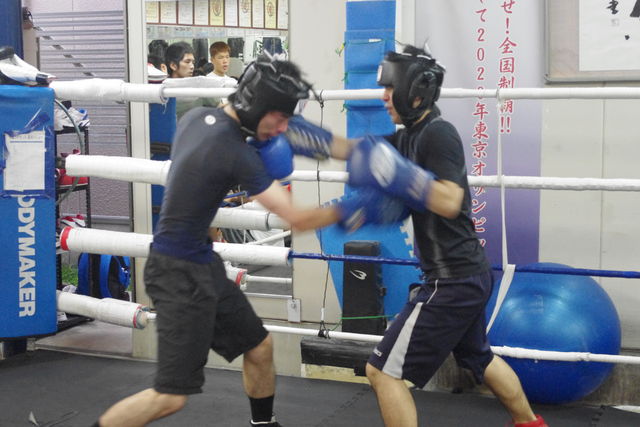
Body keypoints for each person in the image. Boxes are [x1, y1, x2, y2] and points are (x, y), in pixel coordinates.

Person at [94, 54, 408, 427]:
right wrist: (358, 208)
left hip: (200, 262)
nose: (283, 129)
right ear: (256, 107)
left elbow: (198, 180)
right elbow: (296, 218)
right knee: (170, 396)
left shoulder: (196, 119)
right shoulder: (235, 152)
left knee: (259, 347)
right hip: (179, 276)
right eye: (280, 119)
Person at [269, 44, 548, 427]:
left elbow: (450, 199)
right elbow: (352, 150)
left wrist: (403, 178)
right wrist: (286, 124)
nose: (384, 97)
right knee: (479, 358)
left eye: (390, 89)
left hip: (452, 280)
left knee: (383, 371)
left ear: (416, 92)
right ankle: (531, 423)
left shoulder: (439, 134)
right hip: (467, 274)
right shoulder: (407, 138)